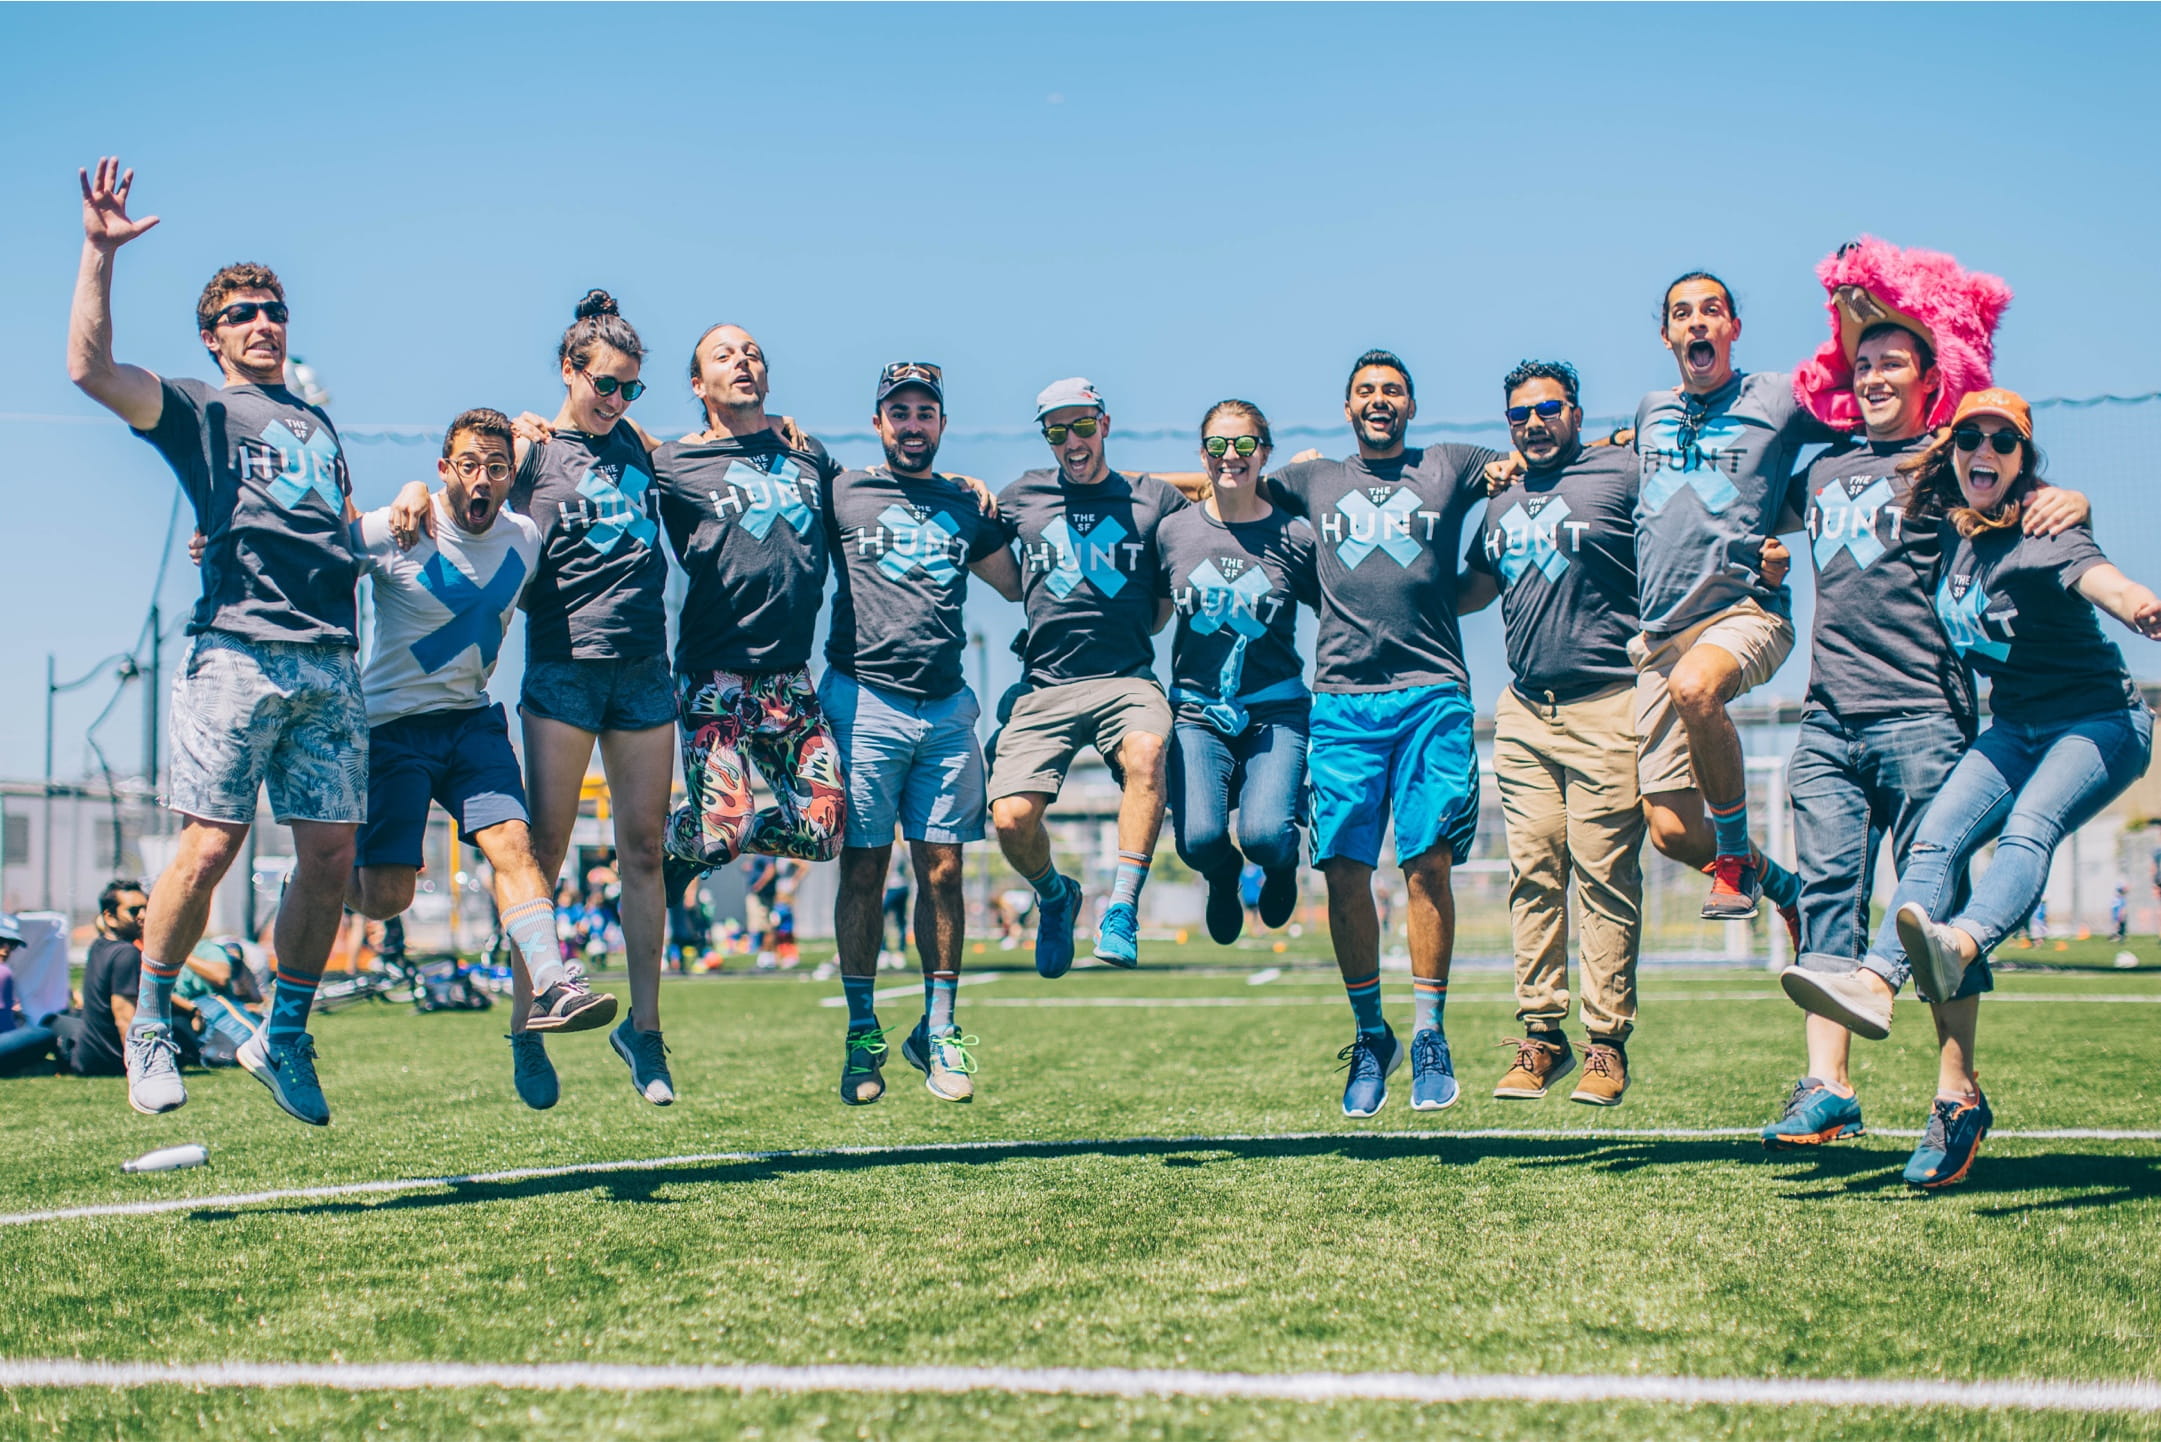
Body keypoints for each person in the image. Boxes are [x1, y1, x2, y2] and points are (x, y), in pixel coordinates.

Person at [1763, 245, 2084, 1147]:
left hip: (1925, 719)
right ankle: (1826, 1087)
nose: (1871, 375)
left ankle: (1956, 1096)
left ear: (1928, 376)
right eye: (1860, 362)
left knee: (1927, 914)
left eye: (1890, 362)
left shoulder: (1952, 463)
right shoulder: (1821, 472)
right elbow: (1743, 509)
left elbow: (2025, 488)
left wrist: (2073, 499)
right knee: (1828, 894)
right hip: (1825, 719)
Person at [68, 158, 365, 1126]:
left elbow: (340, 533)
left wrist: (406, 524)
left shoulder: (317, 423)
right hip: (238, 651)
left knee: (329, 858)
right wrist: (99, 255)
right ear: (213, 335)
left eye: (273, 307)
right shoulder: (200, 406)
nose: (263, 321)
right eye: (242, 311)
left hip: (331, 658)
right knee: (209, 846)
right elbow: (91, 371)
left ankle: (283, 1033)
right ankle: (150, 1020)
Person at [1830, 388, 2161, 1188]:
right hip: (2011, 727)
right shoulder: (1946, 529)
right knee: (1936, 836)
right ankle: (1875, 978)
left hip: (2100, 722)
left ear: (2022, 461)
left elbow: (2102, 580)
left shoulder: (2047, 530)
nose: (1985, 449)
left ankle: (1965, 939)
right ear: (1951, 451)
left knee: (2030, 827)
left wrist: (2144, 609)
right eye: (1969, 437)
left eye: (2002, 441)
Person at [397, 292, 678, 1105]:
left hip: (644, 671)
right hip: (563, 670)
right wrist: (416, 490)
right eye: (605, 384)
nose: (616, 400)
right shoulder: (531, 450)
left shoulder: (636, 445)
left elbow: (699, 458)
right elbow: (462, 496)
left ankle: (646, 1032)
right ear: (569, 370)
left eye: (630, 387)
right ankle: (527, 1028)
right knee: (544, 852)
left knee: (644, 854)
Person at [1258, 351, 1502, 1117]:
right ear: (1345, 407)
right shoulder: (1310, 479)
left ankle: (1430, 1030)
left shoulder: (1451, 463)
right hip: (1340, 702)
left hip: (1432, 695)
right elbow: (1223, 491)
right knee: (1342, 871)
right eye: (1365, 391)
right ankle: (1372, 1034)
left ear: (1411, 405)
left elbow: (1536, 460)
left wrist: (1621, 447)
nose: (1378, 400)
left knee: (1426, 864)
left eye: (1391, 390)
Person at [353, 407, 618, 1111]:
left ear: (510, 477)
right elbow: (312, 550)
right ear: (445, 470)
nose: (483, 478)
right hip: (393, 730)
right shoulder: (399, 528)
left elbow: (560, 428)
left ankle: (549, 992)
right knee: (387, 899)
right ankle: (319, 885)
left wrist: (534, 431)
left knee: (513, 846)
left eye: (496, 468)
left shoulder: (525, 537)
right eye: (468, 465)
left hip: (471, 724)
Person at [821, 362, 1022, 1105]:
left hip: (944, 708)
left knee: (942, 871)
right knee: (865, 872)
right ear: (878, 423)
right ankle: (863, 1031)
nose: (912, 425)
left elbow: (1013, 581)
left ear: (941, 425)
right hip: (862, 702)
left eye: (924, 413)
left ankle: (938, 1028)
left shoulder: (964, 504)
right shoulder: (839, 490)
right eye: (898, 412)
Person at [1458, 361, 1649, 1106]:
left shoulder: (1622, 471)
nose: (1532, 423)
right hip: (1523, 710)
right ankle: (1542, 1034)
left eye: (1546, 409)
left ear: (1575, 411)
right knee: (1532, 870)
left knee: (1604, 876)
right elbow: (1475, 583)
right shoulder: (1501, 497)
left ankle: (1606, 1045)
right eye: (1518, 415)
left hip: (1610, 703)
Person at [1630, 271, 1827, 928]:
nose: (1696, 322)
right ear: (1666, 335)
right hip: (1659, 634)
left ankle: (1737, 858)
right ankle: (1781, 885)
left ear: (1732, 329)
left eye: (1710, 311)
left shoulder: (1773, 397)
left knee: (1696, 686)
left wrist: (1783, 518)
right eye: (1681, 313)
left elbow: (1855, 432)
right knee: (1671, 832)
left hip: (1745, 611)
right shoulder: (1650, 411)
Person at [989, 379, 1187, 974]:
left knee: (1148, 754)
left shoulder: (1153, 500)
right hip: (1045, 684)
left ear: (1104, 423)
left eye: (1081, 425)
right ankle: (1056, 896)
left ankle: (1122, 910)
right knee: (1011, 819)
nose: (1071, 440)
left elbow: (1218, 497)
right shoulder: (1021, 497)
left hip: (1126, 679)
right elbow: (986, 551)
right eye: (1056, 430)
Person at [1156, 400, 1318, 946]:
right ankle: (1223, 878)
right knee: (1198, 840)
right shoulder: (1173, 532)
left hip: (1276, 707)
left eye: (1245, 444)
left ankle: (1280, 866)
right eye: (1219, 446)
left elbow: (1344, 611)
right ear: (1202, 455)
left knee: (1265, 834)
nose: (1232, 456)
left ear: (1264, 453)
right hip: (1197, 710)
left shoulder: (1296, 536)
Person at [49, 882, 154, 1081]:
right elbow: (124, 1017)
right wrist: (139, 1068)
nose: (143, 916)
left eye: (146, 908)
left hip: (86, 1056)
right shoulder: (127, 953)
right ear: (109, 917)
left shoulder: (99, 945)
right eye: (134, 910)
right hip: (110, 1061)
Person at [0, 916, 56, 1077]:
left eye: (12, 945)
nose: (6, 949)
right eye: (0, 942)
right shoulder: (4, 972)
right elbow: (4, 1024)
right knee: (45, 1033)